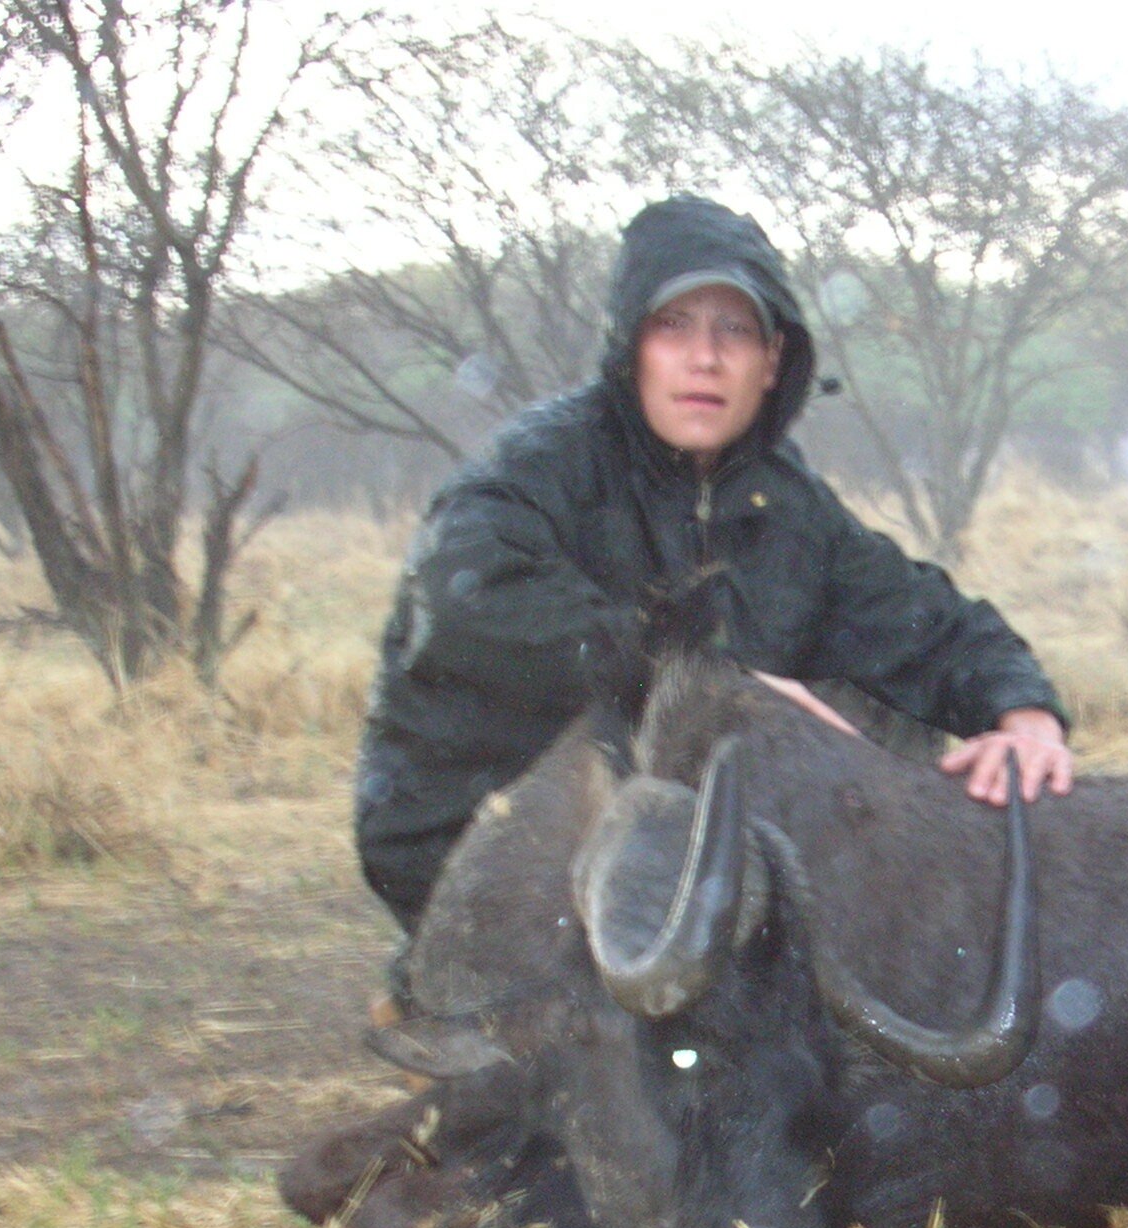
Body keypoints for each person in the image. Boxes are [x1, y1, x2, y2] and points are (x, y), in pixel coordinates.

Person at [354, 194, 1074, 953]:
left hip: (671, 830)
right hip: (480, 839)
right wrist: (710, 681)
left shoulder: (786, 500)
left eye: (736, 330)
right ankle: (471, 996)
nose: (706, 358)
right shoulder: (539, 465)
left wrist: (1023, 713)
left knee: (886, 746)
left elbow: (923, 621)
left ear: (772, 364)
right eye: (674, 326)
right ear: (631, 348)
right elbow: (468, 605)